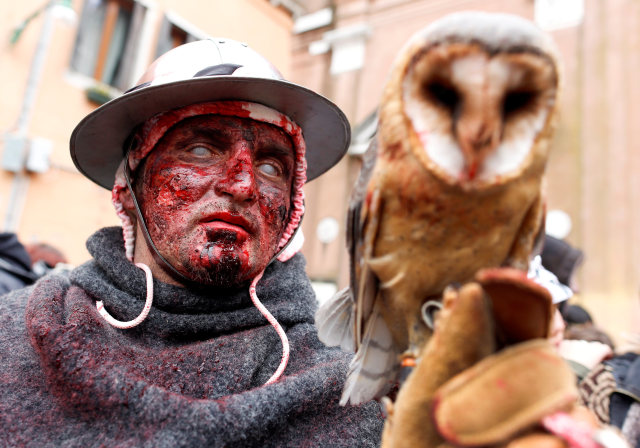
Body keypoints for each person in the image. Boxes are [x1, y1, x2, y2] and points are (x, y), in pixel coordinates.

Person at [0, 39, 383, 447]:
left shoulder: (345, 392)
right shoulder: (17, 333)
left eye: (271, 165)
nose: (242, 185)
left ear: (292, 207)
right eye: (201, 149)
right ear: (129, 186)